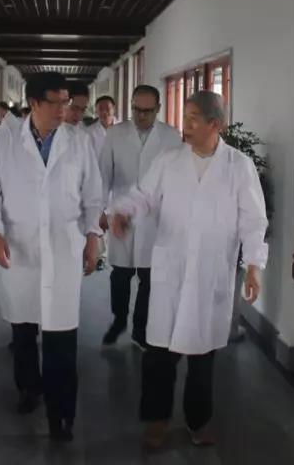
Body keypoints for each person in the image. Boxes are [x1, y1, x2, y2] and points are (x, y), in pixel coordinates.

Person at [110, 91, 268, 450]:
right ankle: (156, 420)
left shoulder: (238, 166)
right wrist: (124, 212)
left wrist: (254, 266)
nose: (186, 124)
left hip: (210, 273)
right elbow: (143, 195)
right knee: (158, 355)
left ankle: (198, 422)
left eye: (194, 118)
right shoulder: (169, 161)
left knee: (202, 357)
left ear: (215, 125)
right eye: (185, 116)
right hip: (171, 269)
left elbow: (253, 220)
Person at [0, 71, 104, 443]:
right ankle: (29, 388)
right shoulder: (6, 142)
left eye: (67, 102)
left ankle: (62, 414)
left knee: (62, 339)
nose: (64, 109)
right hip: (21, 247)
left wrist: (93, 237)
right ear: (33, 103)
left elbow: (93, 196)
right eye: (56, 102)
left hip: (64, 248)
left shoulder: (78, 142)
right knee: (23, 329)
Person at [98, 85, 182, 349]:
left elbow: (176, 180)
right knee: (120, 275)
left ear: (158, 109)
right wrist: (102, 210)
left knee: (149, 277)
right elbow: (103, 174)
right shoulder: (115, 133)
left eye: (147, 111)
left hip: (154, 218)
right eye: (136, 109)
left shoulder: (171, 136)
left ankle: (140, 329)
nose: (141, 115)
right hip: (120, 212)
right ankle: (119, 320)